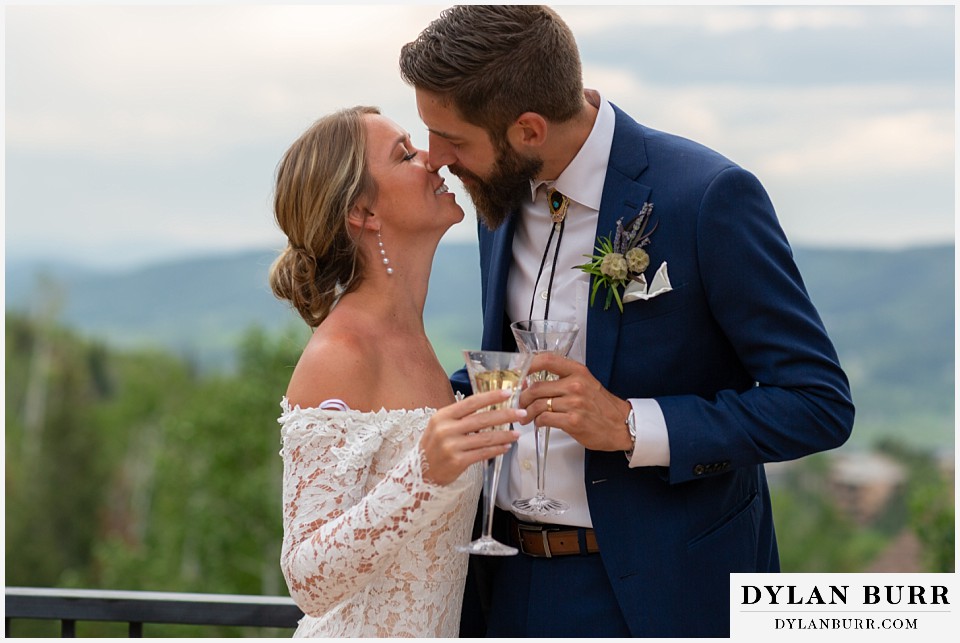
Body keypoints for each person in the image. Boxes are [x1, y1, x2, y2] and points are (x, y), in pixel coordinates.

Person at [399, 5, 855, 638]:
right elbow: (507, 360)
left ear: (527, 129)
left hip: (660, 592)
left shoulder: (705, 196)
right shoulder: (497, 196)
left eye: (452, 138)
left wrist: (632, 425)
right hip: (500, 582)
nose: (436, 157)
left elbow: (817, 403)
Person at [268, 105, 528, 637]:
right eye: (405, 155)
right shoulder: (341, 353)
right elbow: (306, 578)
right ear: (363, 212)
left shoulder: (416, 343)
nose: (433, 160)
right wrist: (422, 474)